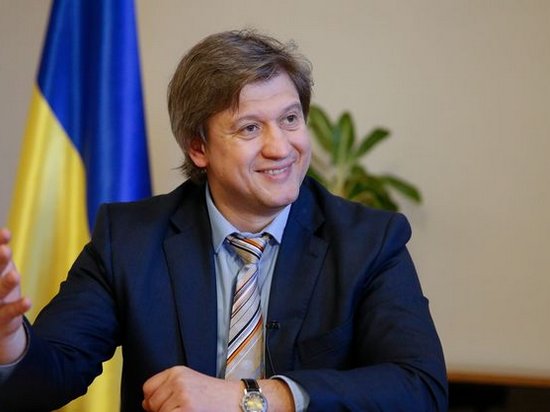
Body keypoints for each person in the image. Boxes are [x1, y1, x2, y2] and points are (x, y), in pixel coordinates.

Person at [0, 29, 447, 411]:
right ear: (199, 148)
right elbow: (46, 378)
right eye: (250, 128)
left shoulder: (370, 241)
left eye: (290, 119)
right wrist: (8, 340)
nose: (280, 147)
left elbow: (420, 387)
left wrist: (254, 397)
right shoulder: (130, 239)